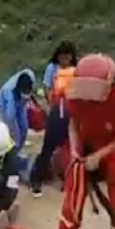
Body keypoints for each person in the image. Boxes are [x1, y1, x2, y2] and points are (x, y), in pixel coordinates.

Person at [54, 54, 115, 229]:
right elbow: (73, 125)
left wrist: (99, 156)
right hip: (86, 142)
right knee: (74, 189)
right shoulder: (76, 93)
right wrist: (75, 151)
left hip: (113, 147)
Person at [30, 41, 78, 197]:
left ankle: (70, 180)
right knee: (49, 147)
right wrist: (51, 104)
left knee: (70, 148)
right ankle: (36, 180)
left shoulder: (77, 69)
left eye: (67, 57)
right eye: (62, 57)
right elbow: (47, 88)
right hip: (57, 110)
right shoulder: (53, 68)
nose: (64, 60)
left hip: (72, 112)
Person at [0, 68, 36, 152]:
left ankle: (18, 150)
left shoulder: (30, 75)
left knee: (24, 127)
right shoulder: (9, 92)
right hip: (4, 106)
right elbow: (11, 118)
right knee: (15, 132)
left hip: (20, 105)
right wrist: (15, 136)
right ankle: (12, 152)